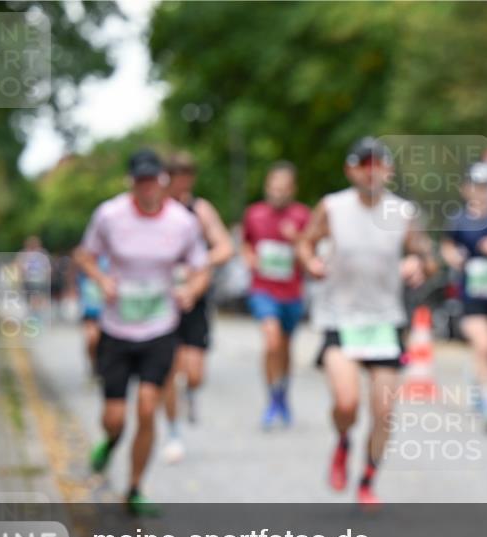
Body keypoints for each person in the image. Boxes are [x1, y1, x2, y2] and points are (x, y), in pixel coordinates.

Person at [296, 137, 435, 508]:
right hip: (339, 319)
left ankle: (367, 479)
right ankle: (343, 441)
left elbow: (427, 256)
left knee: (384, 413)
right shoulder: (332, 207)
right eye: (363, 165)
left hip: (385, 322)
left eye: (378, 164)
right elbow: (305, 242)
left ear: (388, 170)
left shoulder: (403, 212)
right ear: (350, 170)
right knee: (347, 403)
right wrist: (310, 261)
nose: (370, 172)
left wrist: (419, 264)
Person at [73, 148, 210, 515]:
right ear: (130, 182)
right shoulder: (109, 215)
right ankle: (110, 441)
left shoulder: (182, 221)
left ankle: (134, 488)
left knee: (148, 409)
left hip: (160, 327)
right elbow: (84, 254)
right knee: (115, 418)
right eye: (140, 181)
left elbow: (201, 266)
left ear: (163, 181)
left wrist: (191, 290)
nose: (147, 188)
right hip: (117, 328)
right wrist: (102, 280)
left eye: (153, 180)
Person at [160, 151, 234, 464]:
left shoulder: (199, 210)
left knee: (194, 374)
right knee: (170, 369)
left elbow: (225, 247)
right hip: (163, 300)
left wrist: (199, 262)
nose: (182, 183)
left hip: (195, 297)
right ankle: (173, 432)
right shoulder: (157, 209)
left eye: (187, 176)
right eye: (177, 176)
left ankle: (189, 393)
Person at [440, 162, 487, 434]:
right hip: (472, 293)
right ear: (466, 189)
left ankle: (477, 378)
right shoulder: (459, 219)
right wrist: (453, 257)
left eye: (484, 186)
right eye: (475, 186)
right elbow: (447, 245)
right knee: (483, 345)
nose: (480, 192)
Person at [241, 161, 311, 429]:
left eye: (283, 188)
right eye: (273, 187)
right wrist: (249, 257)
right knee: (271, 341)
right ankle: (272, 398)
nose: (277, 192)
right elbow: (246, 244)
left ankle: (283, 394)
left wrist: (297, 240)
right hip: (263, 289)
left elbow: (310, 252)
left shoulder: (303, 216)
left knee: (285, 347)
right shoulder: (254, 214)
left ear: (293, 189)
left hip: (292, 292)